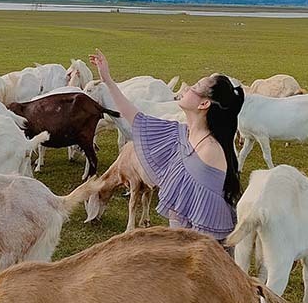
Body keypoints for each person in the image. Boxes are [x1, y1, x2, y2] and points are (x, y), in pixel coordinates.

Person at [89, 49, 244, 243]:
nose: (187, 88)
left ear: (204, 104)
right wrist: (107, 79)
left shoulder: (209, 152)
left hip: (200, 253)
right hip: (182, 246)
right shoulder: (179, 134)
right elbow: (136, 119)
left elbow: (206, 226)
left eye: (195, 87)